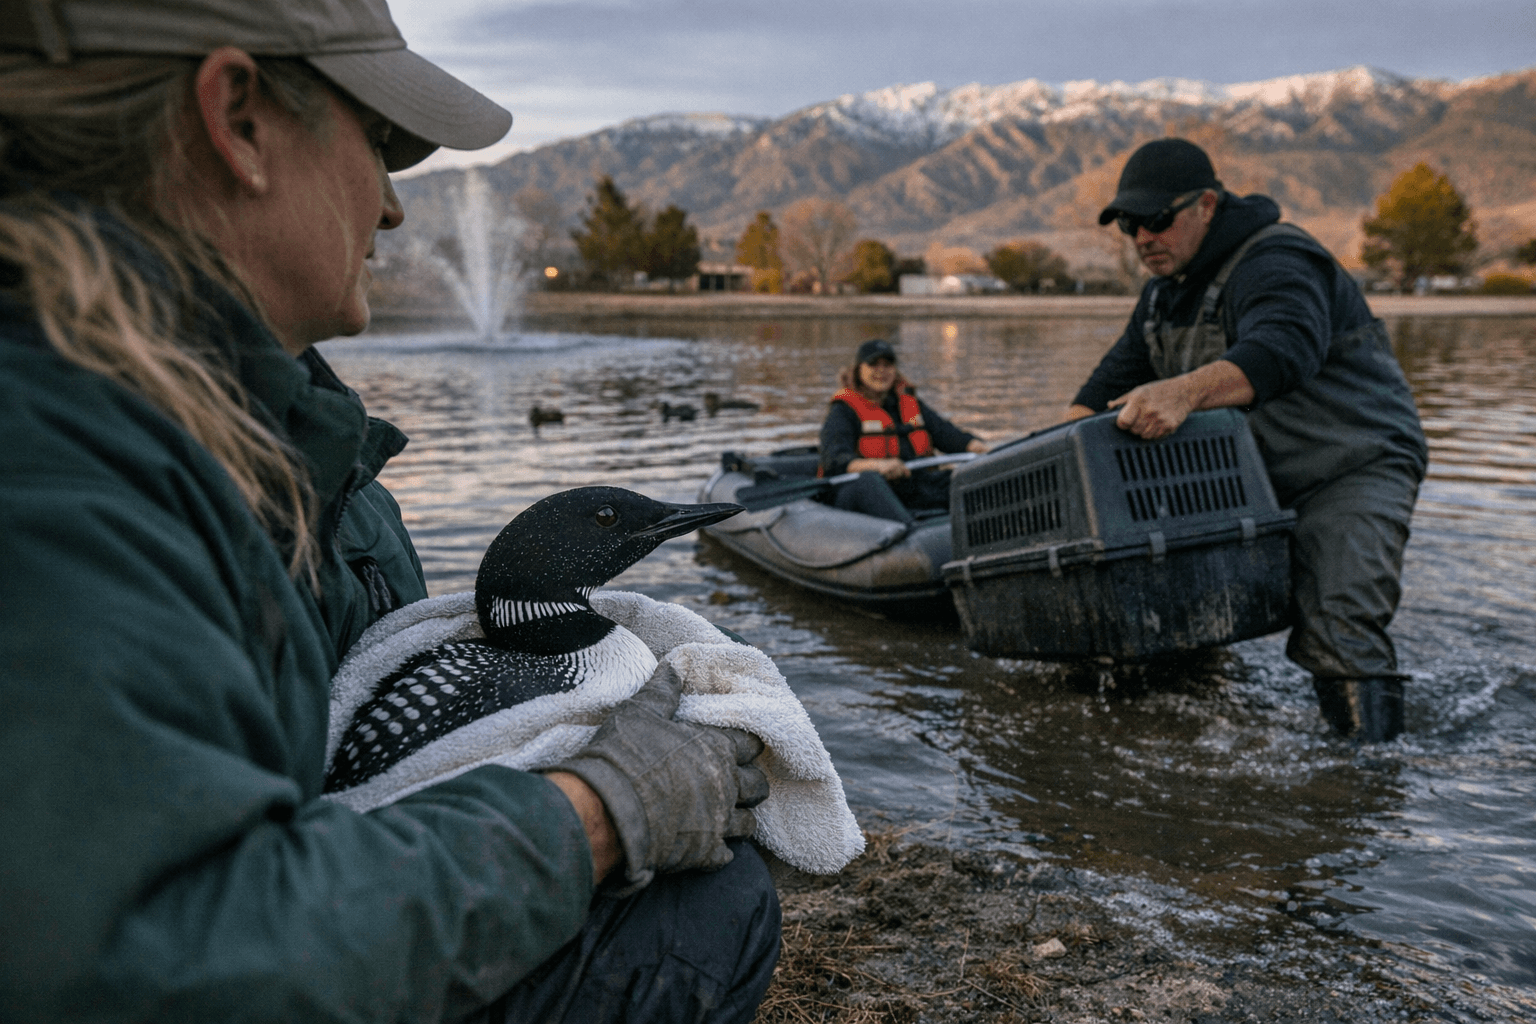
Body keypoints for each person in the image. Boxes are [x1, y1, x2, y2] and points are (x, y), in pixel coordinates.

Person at [0, 2, 778, 1021]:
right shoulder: (56, 473)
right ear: (237, 118)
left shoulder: (256, 429)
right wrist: (598, 811)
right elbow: (146, 953)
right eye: (378, 141)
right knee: (705, 919)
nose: (396, 209)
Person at [1066, 138, 1428, 743]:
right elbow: (1103, 387)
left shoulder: (1277, 260)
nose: (1142, 238)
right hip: (1249, 475)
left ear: (1207, 205)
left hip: (1355, 463)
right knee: (1164, 610)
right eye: (1129, 224)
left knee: (1340, 622)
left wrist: (1183, 392)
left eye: (1156, 220)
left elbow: (1284, 348)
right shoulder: (1161, 293)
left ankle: (1367, 782)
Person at [819, 338, 988, 524]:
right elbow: (834, 460)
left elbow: (947, 434)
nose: (881, 371)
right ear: (859, 369)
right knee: (868, 482)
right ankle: (912, 535)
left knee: (961, 478)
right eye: (873, 364)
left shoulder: (908, 403)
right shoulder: (843, 410)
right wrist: (879, 466)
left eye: (888, 364)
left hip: (913, 485)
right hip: (867, 489)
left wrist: (975, 446)